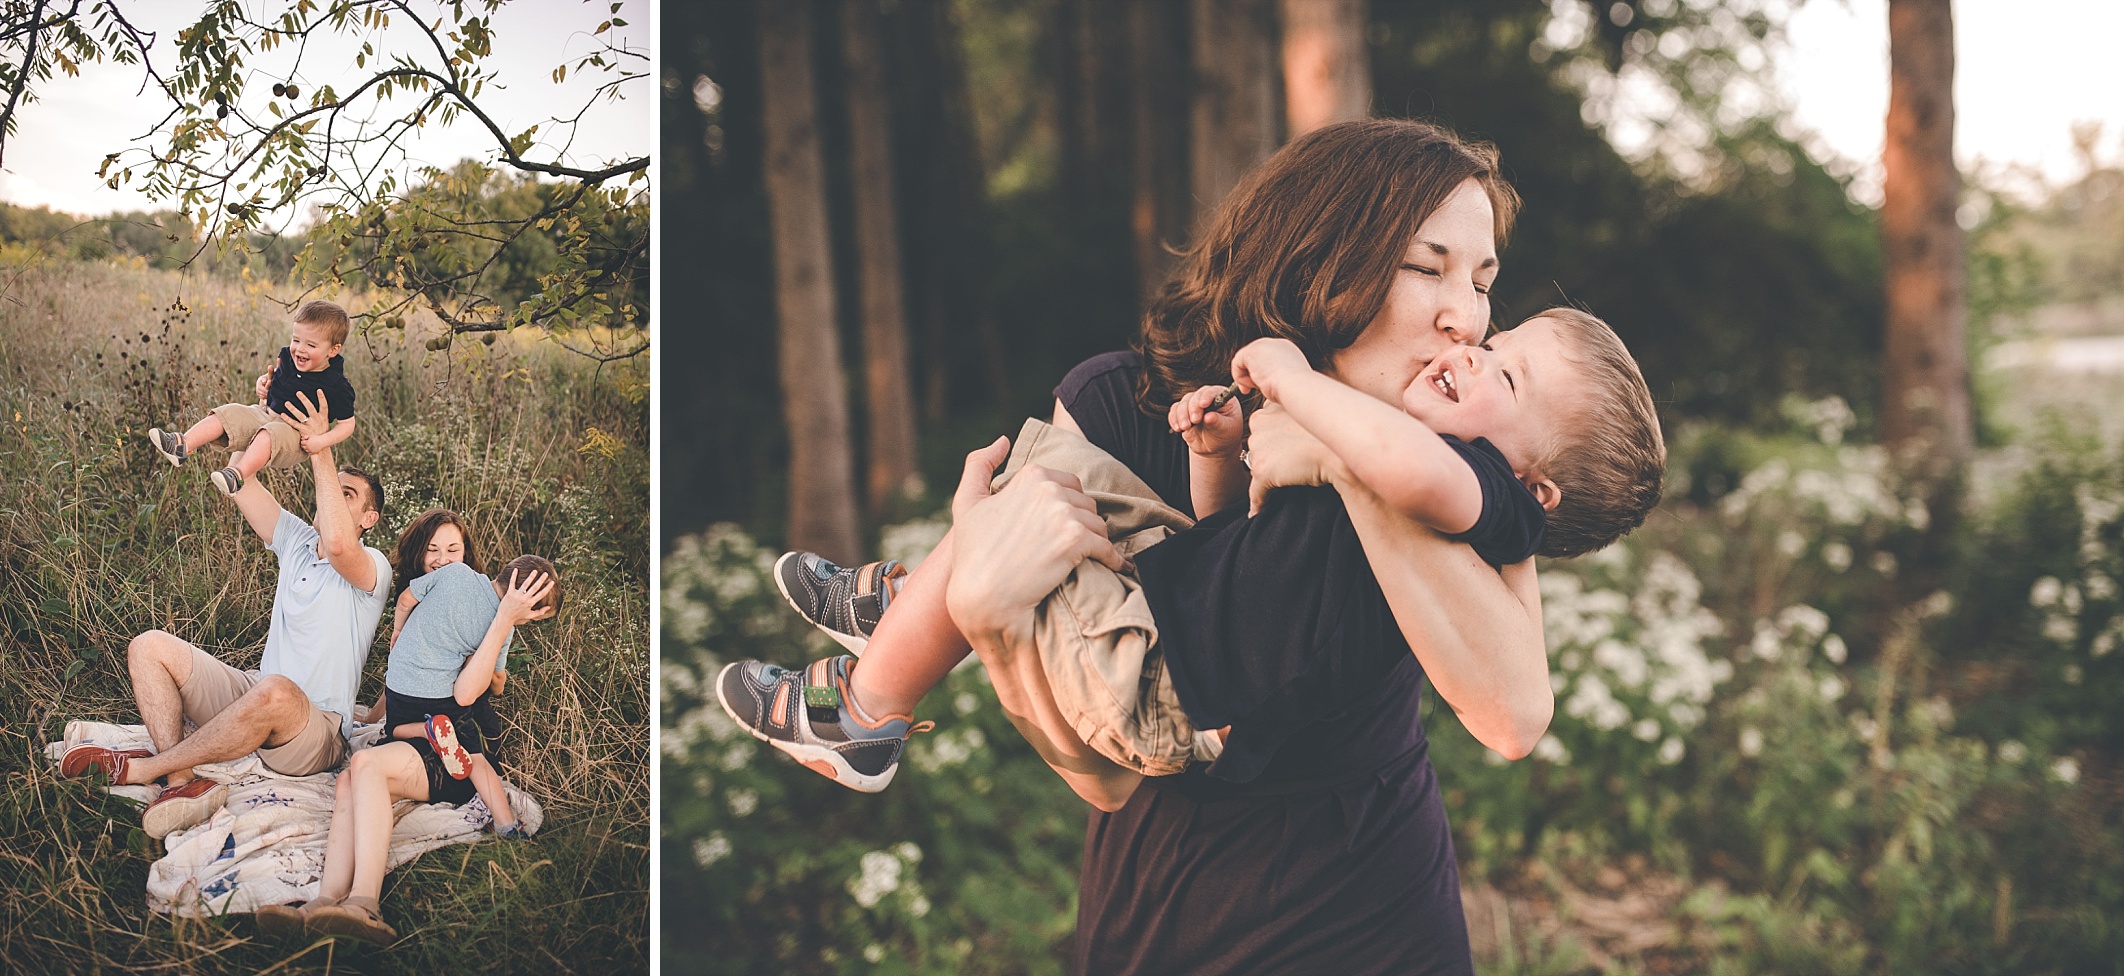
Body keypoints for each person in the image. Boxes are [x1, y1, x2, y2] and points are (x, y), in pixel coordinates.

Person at [760, 118, 1574, 972]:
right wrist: (987, 621)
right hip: (1166, 906)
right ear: (1321, 253)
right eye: (1427, 267)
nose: (1468, 320)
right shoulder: (1129, 409)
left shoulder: (1451, 450)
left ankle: (888, 624)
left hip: (1373, 908)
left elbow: (1513, 714)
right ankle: (898, 642)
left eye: (1484, 281)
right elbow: (1103, 780)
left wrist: (1338, 453)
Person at [723, 306, 1661, 791]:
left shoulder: (1480, 497)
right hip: (1164, 617)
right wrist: (1215, 461)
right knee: (1062, 466)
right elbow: (1237, 561)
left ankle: (862, 714)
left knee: (1027, 499)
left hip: (1153, 681)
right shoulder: (1437, 491)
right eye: (1495, 335)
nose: (1467, 344)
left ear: (1538, 491)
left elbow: (1407, 471)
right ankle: (901, 606)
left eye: (1506, 369)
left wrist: (1294, 381)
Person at [62, 390, 389, 840]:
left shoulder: (373, 567)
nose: (329, 493)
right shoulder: (295, 539)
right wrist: (265, 409)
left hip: (316, 731)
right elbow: (241, 477)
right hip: (254, 692)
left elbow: (337, 544)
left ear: (368, 518)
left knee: (277, 691)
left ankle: (146, 770)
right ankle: (182, 784)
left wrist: (321, 450)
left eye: (345, 493)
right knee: (149, 646)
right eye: (330, 487)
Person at [256, 565, 557, 944]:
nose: (442, 559)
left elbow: (469, 695)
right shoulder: (470, 598)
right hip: (419, 736)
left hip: (454, 756)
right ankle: (322, 903)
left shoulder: (496, 624)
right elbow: (482, 681)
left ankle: (364, 903)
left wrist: (501, 624)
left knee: (364, 763)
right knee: (351, 778)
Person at [356, 553, 562, 839]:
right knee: (475, 757)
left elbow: (404, 600)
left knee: (394, 731)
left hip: (398, 688)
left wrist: (399, 631)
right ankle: (507, 824)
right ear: (524, 606)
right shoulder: (502, 628)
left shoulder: (456, 573)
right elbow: (494, 682)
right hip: (439, 698)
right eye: (534, 617)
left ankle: (426, 731)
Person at [147, 299, 359, 496]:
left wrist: (321, 441)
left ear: (333, 350)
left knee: (268, 433)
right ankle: (182, 445)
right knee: (230, 412)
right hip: (265, 413)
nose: (299, 349)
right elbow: (276, 379)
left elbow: (347, 425)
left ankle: (236, 476)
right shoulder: (287, 356)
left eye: (311, 345)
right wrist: (263, 384)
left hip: (294, 435)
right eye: (296, 340)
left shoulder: (336, 384)